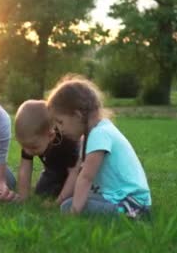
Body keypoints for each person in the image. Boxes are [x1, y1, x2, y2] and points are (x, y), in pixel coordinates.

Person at [47, 74, 152, 217]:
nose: (59, 129)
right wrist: (62, 201)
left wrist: (74, 212)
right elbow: (79, 175)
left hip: (132, 204)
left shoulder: (99, 135)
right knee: (69, 203)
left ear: (77, 115)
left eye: (60, 122)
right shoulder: (97, 132)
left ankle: (131, 216)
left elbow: (86, 178)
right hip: (128, 200)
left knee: (69, 206)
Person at [14, 100, 80, 203]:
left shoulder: (67, 141)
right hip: (53, 170)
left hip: (77, 172)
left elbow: (74, 173)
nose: (28, 151)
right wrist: (22, 198)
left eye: (33, 147)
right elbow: (24, 169)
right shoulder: (30, 142)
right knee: (42, 191)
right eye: (24, 146)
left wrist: (58, 201)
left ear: (50, 136)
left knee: (76, 191)